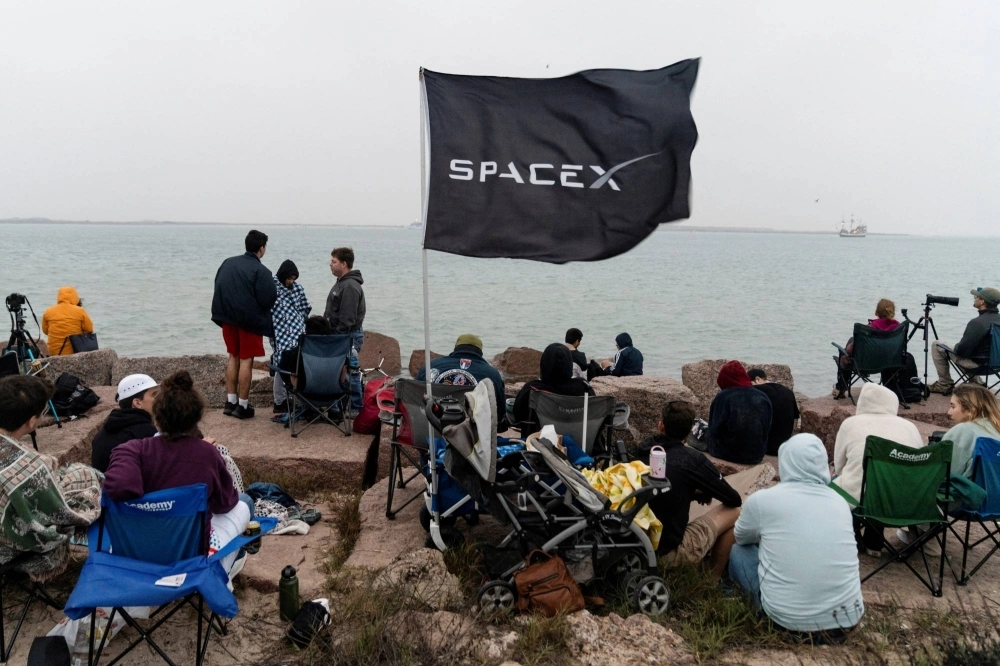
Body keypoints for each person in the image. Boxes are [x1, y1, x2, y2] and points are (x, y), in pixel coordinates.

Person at [103, 370, 254, 576]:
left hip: (140, 550)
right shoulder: (207, 453)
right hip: (191, 555)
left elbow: (121, 487)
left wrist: (153, 502)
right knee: (245, 501)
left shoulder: (131, 450)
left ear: (156, 416)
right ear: (197, 417)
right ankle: (230, 564)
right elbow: (224, 505)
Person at [730, 434, 865, 639]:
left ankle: (735, 597)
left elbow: (741, 538)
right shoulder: (840, 503)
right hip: (844, 625)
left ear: (785, 461)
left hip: (785, 624)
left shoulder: (763, 500)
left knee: (738, 552)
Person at [0, 375, 102, 579]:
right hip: (10, 550)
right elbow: (57, 519)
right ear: (31, 422)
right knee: (83, 474)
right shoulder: (34, 464)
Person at [634, 400, 742, 578]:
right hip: (669, 552)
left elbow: (662, 485)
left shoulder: (644, 450)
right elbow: (733, 498)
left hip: (639, 545)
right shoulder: (692, 459)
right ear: (691, 429)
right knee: (735, 512)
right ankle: (712, 579)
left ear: (660, 425)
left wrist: (691, 493)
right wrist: (701, 488)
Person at [831, 383, 924, 556]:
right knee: (886, 478)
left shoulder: (850, 424)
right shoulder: (909, 427)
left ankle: (852, 534)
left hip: (865, 502)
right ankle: (874, 541)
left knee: (842, 483)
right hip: (908, 501)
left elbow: (839, 465)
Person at [211, 230, 278, 420]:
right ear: (261, 248)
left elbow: (218, 285)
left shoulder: (228, 262)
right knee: (246, 360)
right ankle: (242, 406)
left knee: (233, 356)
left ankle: (229, 402)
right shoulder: (261, 271)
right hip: (249, 322)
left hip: (227, 317)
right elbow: (268, 298)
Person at [415, 334, 508, 430]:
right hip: (471, 438)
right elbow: (499, 415)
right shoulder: (492, 374)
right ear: (480, 352)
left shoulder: (429, 367)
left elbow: (415, 398)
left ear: (456, 348)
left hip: (430, 429)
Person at [929, 287, 1000, 395]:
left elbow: (961, 351)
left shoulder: (977, 323)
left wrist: (958, 346)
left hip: (977, 367)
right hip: (996, 366)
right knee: (975, 354)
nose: (974, 298)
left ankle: (944, 384)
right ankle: (978, 383)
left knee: (937, 344)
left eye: (976, 297)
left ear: (982, 301)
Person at [512, 342, 594, 435]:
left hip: (538, 445)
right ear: (569, 365)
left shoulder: (532, 389)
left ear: (543, 364)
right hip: (580, 444)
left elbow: (518, 418)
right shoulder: (584, 388)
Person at [91, 374, 160, 473]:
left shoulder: (103, 432)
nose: (160, 399)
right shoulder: (146, 432)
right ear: (137, 403)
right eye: (154, 395)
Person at [707, 361, 772, 465]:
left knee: (700, 432)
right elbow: (767, 427)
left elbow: (714, 429)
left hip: (730, 453)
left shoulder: (723, 397)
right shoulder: (763, 396)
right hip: (757, 454)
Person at [325, 247, 366, 411]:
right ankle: (343, 406)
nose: (330, 264)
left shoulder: (349, 286)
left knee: (351, 372)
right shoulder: (341, 283)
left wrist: (337, 337)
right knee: (342, 372)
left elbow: (347, 318)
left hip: (347, 336)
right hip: (341, 335)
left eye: (334, 262)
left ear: (343, 264)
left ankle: (355, 408)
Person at [834, 298, 900, 399]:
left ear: (877, 312)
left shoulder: (869, 329)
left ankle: (841, 388)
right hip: (890, 364)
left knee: (846, 351)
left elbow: (851, 350)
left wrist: (847, 350)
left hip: (866, 365)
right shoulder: (898, 328)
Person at [270, 259, 312, 413]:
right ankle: (279, 400)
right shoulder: (271, 287)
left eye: (293, 279)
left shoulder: (298, 289)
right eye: (289, 278)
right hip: (279, 330)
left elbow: (304, 307)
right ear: (283, 275)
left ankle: (296, 397)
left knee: (298, 361)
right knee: (281, 362)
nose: (290, 281)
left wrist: (300, 322)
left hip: (297, 330)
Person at [940, 384, 1000, 479]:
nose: (949, 412)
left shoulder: (963, 431)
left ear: (970, 410)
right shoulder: (996, 428)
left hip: (971, 492)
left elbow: (946, 474)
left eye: (953, 407)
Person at [748, 369, 800, 456]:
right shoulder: (788, 392)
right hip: (783, 446)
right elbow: (795, 417)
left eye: (749, 383)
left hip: (764, 447)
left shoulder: (755, 391)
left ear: (758, 379)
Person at [41, 286, 94, 356]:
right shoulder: (80, 311)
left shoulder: (49, 311)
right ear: (75, 297)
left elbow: (45, 331)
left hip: (53, 352)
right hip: (74, 350)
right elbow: (89, 329)